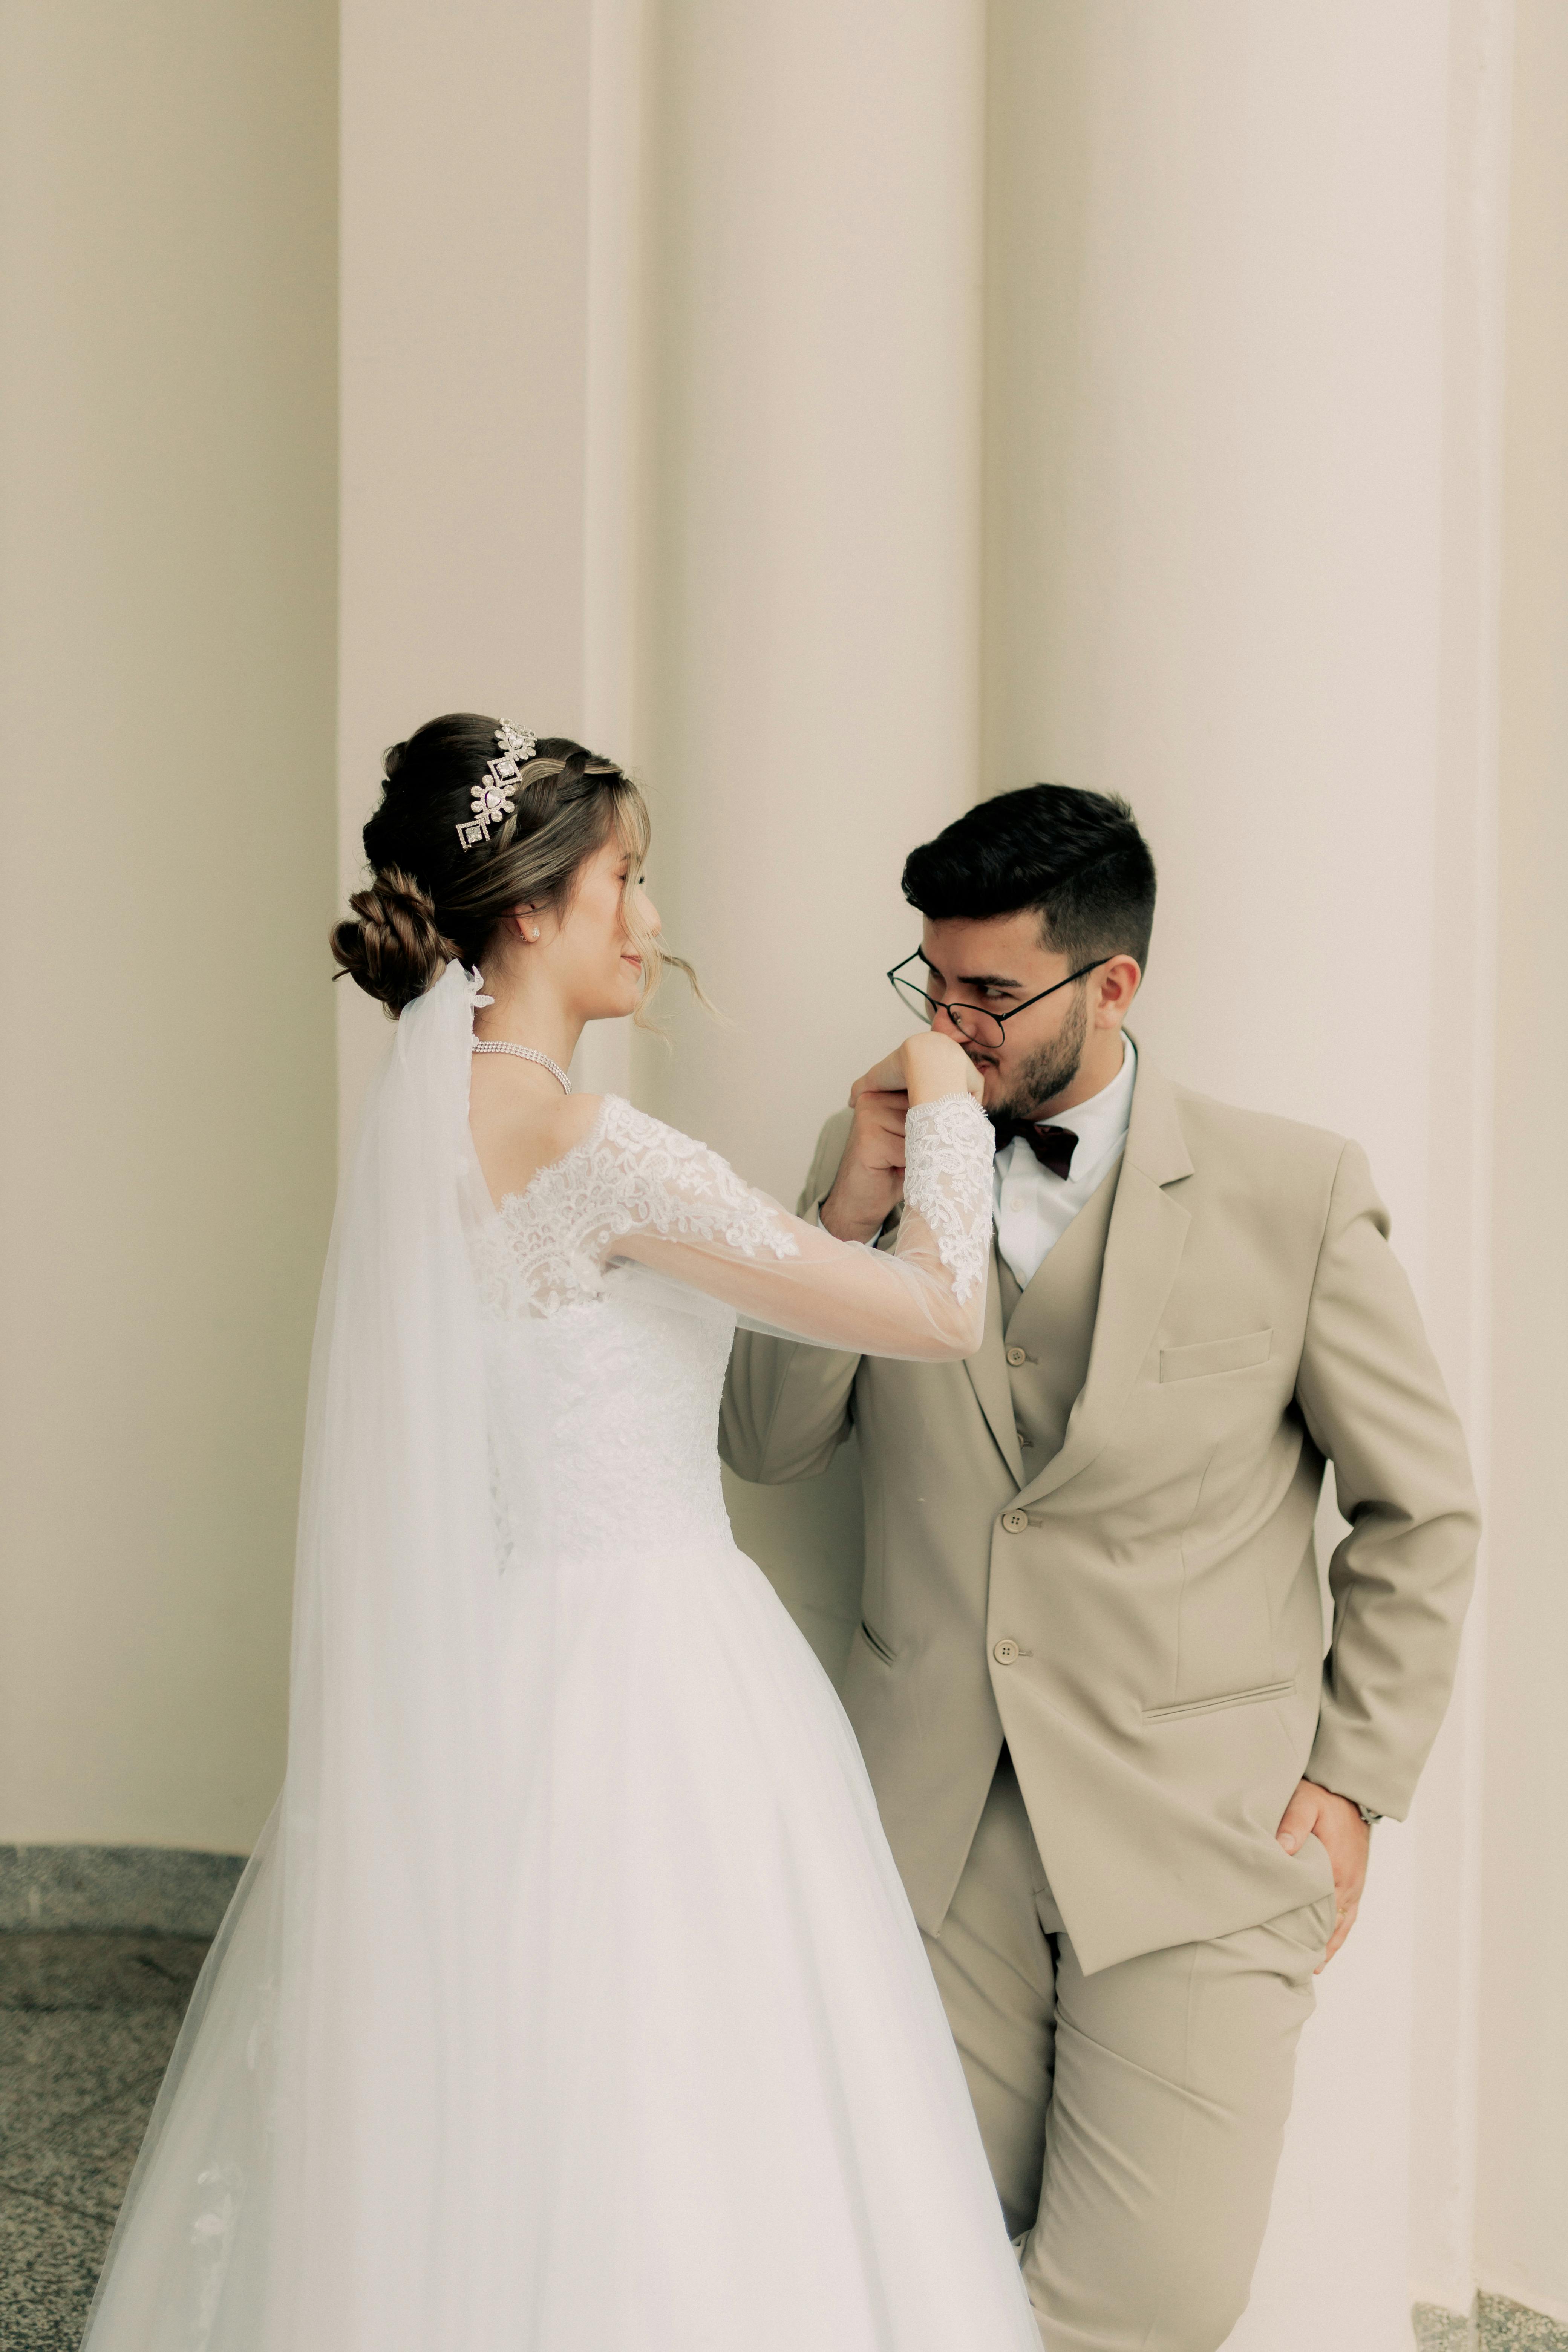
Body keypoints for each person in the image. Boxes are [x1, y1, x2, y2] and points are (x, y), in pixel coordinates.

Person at [78, 719, 1043, 2352]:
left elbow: (614, 1334)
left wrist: (840, 1212)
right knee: (677, 2095)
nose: (650, 921)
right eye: (627, 879)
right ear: (530, 907)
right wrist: (947, 1104)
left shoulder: (427, 1132)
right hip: (654, 1671)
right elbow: (945, 1316)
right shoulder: (591, 1146)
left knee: (513, 2095)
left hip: (496, 1665)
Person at [721, 784, 1481, 2352]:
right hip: (928, 1835)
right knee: (886, 2248)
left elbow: (1421, 1509)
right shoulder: (857, 1154)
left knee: (1150, 2302)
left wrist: (1349, 1779)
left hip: (1196, 1838)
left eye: (991, 996)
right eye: (931, 985)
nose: (952, 1027)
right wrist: (849, 1211)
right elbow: (768, 1445)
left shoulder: (1293, 1192)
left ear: (1112, 985)